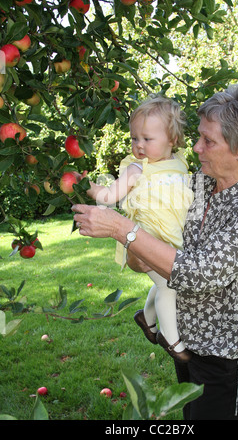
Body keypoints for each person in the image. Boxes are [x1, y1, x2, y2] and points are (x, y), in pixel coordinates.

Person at [72, 84, 238, 420]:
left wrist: (122, 230)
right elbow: (151, 256)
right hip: (185, 344)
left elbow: (200, 273)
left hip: (222, 355)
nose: (196, 147)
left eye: (208, 141)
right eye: (199, 136)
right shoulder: (198, 183)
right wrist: (133, 248)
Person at [74, 96, 194, 363]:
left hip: (171, 236)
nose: (139, 145)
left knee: (166, 279)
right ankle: (172, 340)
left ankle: (146, 318)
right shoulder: (137, 168)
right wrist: (86, 185)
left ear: (172, 140)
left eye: (147, 139)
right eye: (134, 138)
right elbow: (109, 196)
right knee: (169, 285)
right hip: (147, 236)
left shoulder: (178, 161)